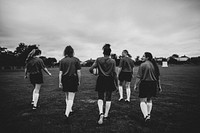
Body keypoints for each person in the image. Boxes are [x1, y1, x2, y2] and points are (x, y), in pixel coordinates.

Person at [89, 44, 117, 125]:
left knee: (100, 97)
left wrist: (94, 73)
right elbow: (114, 73)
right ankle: (106, 114)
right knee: (108, 97)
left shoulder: (98, 59)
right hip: (110, 79)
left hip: (101, 79)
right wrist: (117, 83)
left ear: (103, 52)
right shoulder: (113, 61)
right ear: (110, 53)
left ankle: (101, 113)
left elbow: (91, 69)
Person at [134, 52, 162, 123]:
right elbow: (158, 77)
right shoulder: (155, 65)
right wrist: (159, 86)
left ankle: (146, 116)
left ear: (147, 57)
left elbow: (139, 77)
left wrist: (135, 85)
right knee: (149, 99)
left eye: (143, 56)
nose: (142, 57)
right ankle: (148, 114)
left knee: (142, 100)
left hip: (145, 84)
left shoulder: (143, 65)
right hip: (153, 84)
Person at [59, 45, 81, 121]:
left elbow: (60, 73)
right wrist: (79, 80)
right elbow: (78, 72)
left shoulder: (62, 60)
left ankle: (69, 109)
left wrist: (60, 82)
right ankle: (67, 113)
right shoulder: (76, 60)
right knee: (71, 97)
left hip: (64, 79)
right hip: (73, 78)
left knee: (67, 96)